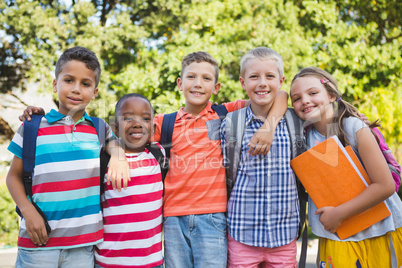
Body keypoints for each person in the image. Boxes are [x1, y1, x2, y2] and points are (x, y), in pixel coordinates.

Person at [152, 51, 288, 267]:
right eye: (191, 77)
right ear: (180, 83)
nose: (198, 84)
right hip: (173, 217)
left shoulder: (225, 113)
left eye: (206, 78)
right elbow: (128, 135)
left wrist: (268, 127)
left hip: (214, 217)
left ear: (216, 88)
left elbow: (280, 96)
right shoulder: (164, 122)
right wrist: (117, 154)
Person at [6, 46, 130, 268]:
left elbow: (115, 143)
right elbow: (12, 177)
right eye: (69, 80)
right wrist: (27, 211)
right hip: (37, 244)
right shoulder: (33, 126)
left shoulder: (99, 129)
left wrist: (118, 157)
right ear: (55, 84)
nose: (76, 89)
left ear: (94, 93)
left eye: (85, 84)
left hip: (82, 248)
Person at [290, 66, 402, 267]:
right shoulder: (304, 137)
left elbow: (385, 185)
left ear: (332, 95)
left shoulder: (353, 128)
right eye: (296, 98)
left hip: (378, 232)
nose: (304, 100)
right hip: (337, 237)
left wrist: (338, 214)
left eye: (313, 93)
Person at [220, 47, 300, 267]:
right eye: (254, 76)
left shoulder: (296, 123)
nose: (262, 83)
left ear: (281, 80)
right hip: (241, 235)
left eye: (270, 76)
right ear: (242, 82)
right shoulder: (230, 124)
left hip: (284, 235)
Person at [95, 93, 164, 268]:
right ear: (116, 129)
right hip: (108, 262)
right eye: (128, 118)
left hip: (151, 262)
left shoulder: (159, 155)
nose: (137, 123)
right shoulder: (104, 160)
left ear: (153, 127)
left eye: (145, 118)